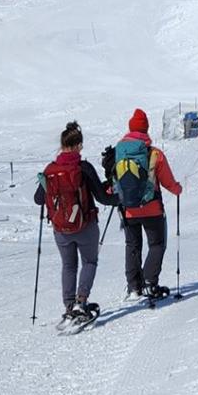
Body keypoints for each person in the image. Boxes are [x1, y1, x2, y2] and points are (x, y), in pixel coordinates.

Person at [34, 121, 119, 322]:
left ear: (62, 145)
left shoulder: (50, 170)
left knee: (68, 265)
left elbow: (38, 199)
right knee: (89, 262)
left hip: (60, 229)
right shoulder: (83, 168)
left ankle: (69, 305)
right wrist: (121, 199)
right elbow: (102, 197)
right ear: (78, 145)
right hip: (85, 225)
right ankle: (81, 301)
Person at [110, 108, 182, 301]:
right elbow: (167, 181)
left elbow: (114, 179)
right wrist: (177, 189)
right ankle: (149, 282)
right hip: (152, 208)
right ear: (146, 129)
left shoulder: (119, 153)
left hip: (128, 209)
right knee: (157, 244)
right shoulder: (154, 153)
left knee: (132, 246)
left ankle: (134, 287)